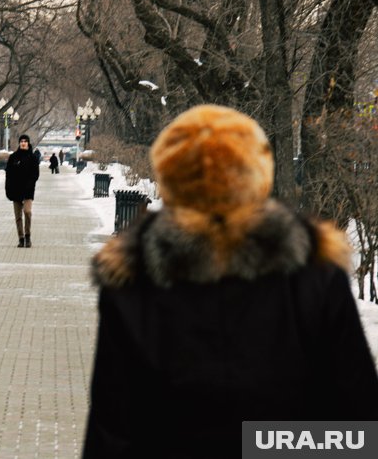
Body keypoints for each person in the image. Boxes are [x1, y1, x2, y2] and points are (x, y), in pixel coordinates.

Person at [83, 105, 378, 458]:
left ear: (171, 175)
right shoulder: (312, 272)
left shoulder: (135, 279)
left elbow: (113, 425)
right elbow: (358, 420)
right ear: (257, 171)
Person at [5, 134, 39, 248]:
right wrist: (8, 189)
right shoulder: (13, 157)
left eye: (25, 141)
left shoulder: (33, 157)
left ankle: (28, 235)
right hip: (16, 190)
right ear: (19, 143)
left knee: (27, 212)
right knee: (18, 216)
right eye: (21, 141)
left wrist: (30, 185)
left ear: (28, 143)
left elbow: (35, 174)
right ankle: (21, 238)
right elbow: (8, 174)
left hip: (28, 191)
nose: (23, 143)